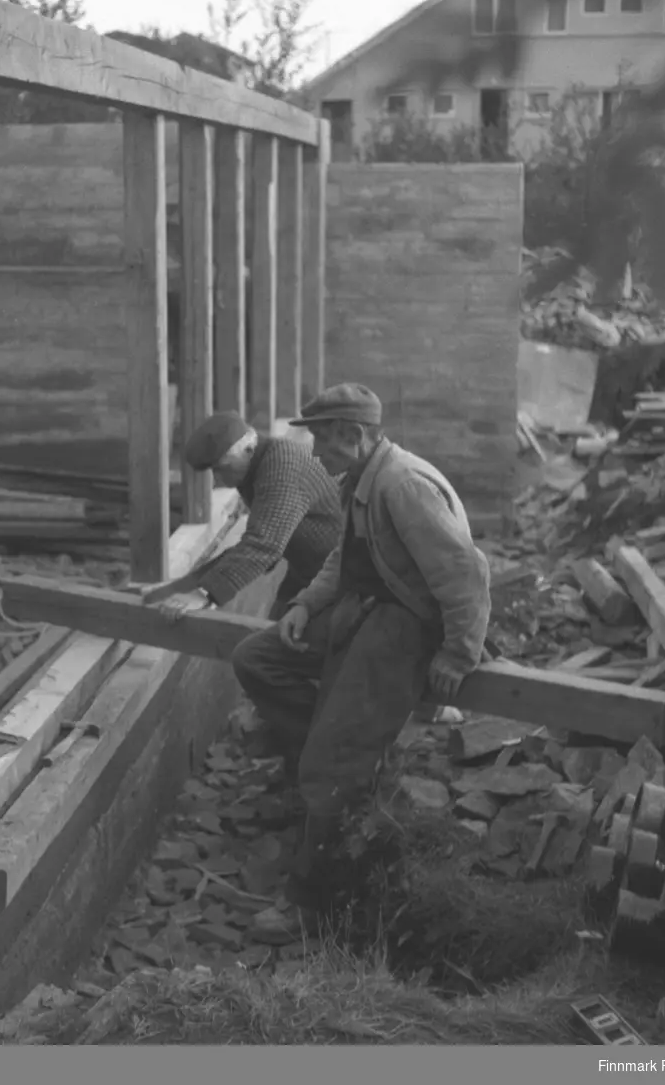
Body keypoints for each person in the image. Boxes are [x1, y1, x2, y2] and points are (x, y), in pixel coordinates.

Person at [229, 383, 492, 924]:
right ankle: (347, 756)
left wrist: (459, 656)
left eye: (323, 440)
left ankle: (310, 901)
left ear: (353, 435)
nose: (316, 453)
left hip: (406, 627)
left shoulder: (403, 486)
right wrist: (303, 604)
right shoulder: (360, 480)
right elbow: (339, 562)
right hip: (364, 606)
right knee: (257, 657)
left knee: (328, 762)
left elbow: (465, 575)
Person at [150, 411, 343, 623]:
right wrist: (177, 587)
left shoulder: (282, 468)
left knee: (278, 645)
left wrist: (204, 593)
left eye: (224, 469)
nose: (219, 480)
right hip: (309, 570)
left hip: (342, 579)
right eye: (214, 471)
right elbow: (263, 542)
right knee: (274, 629)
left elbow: (264, 545)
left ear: (249, 448)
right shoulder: (258, 464)